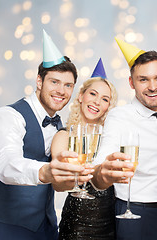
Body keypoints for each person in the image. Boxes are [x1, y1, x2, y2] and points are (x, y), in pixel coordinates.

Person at [0, 30, 92, 240]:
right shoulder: (8, 115)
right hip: (10, 229)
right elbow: (5, 164)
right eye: (54, 82)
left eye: (68, 85)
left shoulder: (61, 125)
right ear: (39, 81)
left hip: (48, 228)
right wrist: (45, 171)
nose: (61, 91)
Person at [91, 38, 157, 240]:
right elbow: (98, 169)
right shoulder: (119, 117)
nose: (153, 86)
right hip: (134, 213)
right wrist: (103, 173)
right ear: (131, 83)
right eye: (143, 79)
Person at [50, 58, 118, 239]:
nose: (97, 102)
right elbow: (57, 185)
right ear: (81, 96)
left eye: (104, 99)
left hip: (110, 223)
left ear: (107, 107)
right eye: (93, 94)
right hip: (77, 224)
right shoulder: (63, 136)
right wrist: (72, 176)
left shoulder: (110, 139)